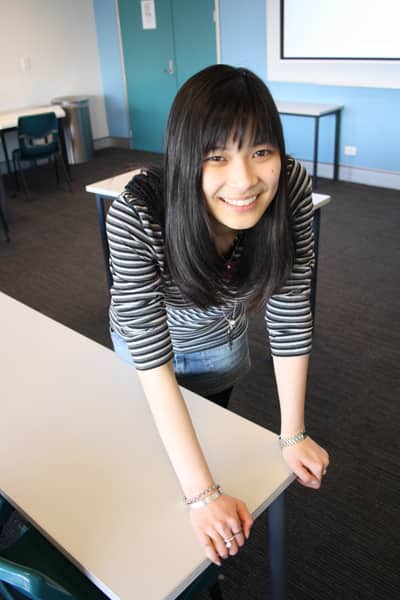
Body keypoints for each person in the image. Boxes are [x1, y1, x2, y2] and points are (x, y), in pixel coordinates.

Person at [106, 64, 330, 566]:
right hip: (146, 354)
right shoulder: (138, 215)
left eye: (260, 151)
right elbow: (151, 353)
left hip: (221, 342)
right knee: (148, 470)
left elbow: (291, 306)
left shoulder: (290, 186)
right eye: (216, 157)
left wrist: (291, 431)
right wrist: (204, 496)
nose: (244, 180)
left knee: (212, 427)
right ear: (187, 159)